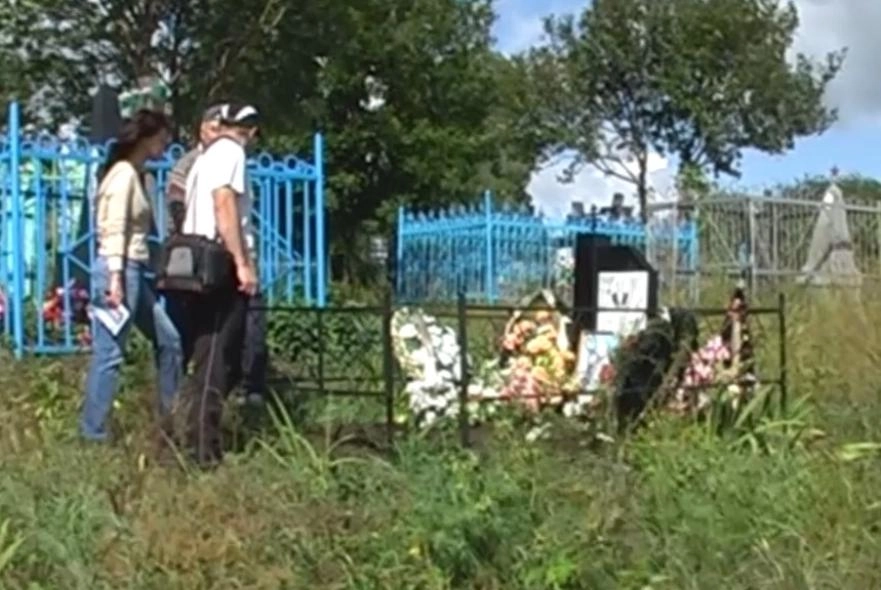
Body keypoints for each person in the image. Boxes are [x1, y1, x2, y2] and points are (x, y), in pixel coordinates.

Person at [81, 109, 183, 442]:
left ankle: (170, 420)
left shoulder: (134, 174)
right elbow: (114, 228)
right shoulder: (123, 175)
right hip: (120, 270)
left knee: (169, 341)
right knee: (110, 353)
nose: (165, 146)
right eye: (162, 139)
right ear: (145, 139)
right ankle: (93, 433)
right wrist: (115, 280)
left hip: (132, 269)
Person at [171, 102, 260, 466]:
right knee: (219, 356)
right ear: (251, 131)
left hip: (196, 262)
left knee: (208, 351)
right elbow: (224, 206)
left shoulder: (204, 157)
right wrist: (242, 263)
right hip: (219, 262)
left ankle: (191, 430)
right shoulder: (231, 153)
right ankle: (203, 448)